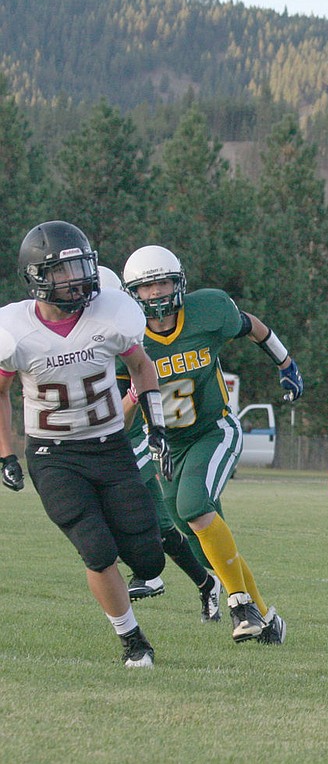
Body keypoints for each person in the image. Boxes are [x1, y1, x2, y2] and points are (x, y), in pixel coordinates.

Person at [0, 221, 169, 667]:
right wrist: (5, 452)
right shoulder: (15, 329)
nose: (76, 279)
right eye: (63, 271)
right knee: (96, 550)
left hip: (111, 447)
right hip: (54, 456)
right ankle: (133, 640)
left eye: (80, 267)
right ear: (37, 277)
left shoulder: (109, 313)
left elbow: (142, 367)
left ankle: (138, 568)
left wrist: (157, 424)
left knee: (149, 560)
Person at [119, 244, 303, 645]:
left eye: (163, 283)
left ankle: (238, 603)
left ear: (179, 282)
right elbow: (121, 417)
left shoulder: (208, 311)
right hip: (166, 445)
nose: (156, 294)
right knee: (198, 533)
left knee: (192, 507)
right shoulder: (124, 334)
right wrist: (134, 395)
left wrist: (285, 363)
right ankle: (266, 619)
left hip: (213, 430)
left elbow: (250, 325)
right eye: (146, 288)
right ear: (132, 293)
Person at [95, 266, 224, 623]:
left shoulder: (125, 329)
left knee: (115, 500)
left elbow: (134, 391)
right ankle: (204, 583)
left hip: (134, 431)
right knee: (163, 524)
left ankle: (151, 573)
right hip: (109, 432)